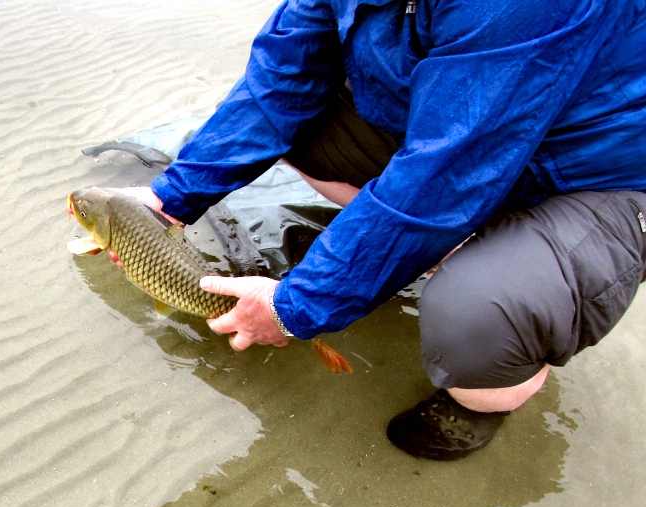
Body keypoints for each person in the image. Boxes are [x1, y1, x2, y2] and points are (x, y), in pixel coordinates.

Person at [117, 0, 646, 461]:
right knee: (306, 123)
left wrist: (296, 307)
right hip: (466, 136)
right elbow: (282, 75)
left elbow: (445, 176)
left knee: (477, 313)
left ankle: (494, 380)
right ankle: (442, 246)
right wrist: (171, 198)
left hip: (598, 180)